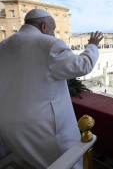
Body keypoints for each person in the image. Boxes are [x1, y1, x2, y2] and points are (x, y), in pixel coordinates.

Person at [0, 9, 103, 169]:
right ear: (43, 26)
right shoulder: (50, 44)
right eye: (53, 30)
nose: (54, 35)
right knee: (69, 161)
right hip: (43, 129)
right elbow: (82, 65)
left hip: (8, 125)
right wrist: (92, 46)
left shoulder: (3, 45)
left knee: (28, 159)